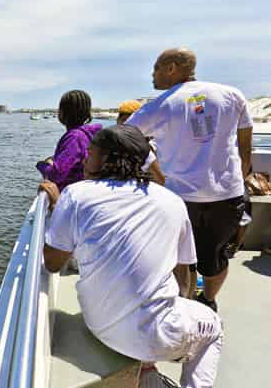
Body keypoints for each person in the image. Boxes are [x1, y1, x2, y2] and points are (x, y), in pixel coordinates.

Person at [39, 125, 222, 388]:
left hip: (99, 326)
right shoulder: (171, 201)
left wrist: (57, 208)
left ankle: (146, 369)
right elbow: (185, 276)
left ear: (106, 158)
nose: (84, 159)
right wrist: (178, 305)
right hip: (153, 335)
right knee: (212, 327)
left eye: (90, 153)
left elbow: (53, 263)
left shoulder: (76, 194)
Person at [127, 47, 252, 312]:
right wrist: (239, 179)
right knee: (216, 256)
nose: (153, 75)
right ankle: (208, 301)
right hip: (227, 194)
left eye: (156, 69)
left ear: (171, 68)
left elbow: (124, 137)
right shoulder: (232, 94)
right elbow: (245, 143)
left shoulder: (160, 106)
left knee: (178, 258)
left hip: (179, 197)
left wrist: (153, 166)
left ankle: (184, 307)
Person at [36, 90, 102, 191]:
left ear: (64, 112)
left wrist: (42, 165)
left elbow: (56, 175)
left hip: (72, 195)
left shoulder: (74, 138)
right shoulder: (88, 134)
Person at [116, 99, 166, 186]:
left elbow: (160, 180)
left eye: (131, 121)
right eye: (124, 120)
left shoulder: (149, 148)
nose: (127, 125)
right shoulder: (112, 144)